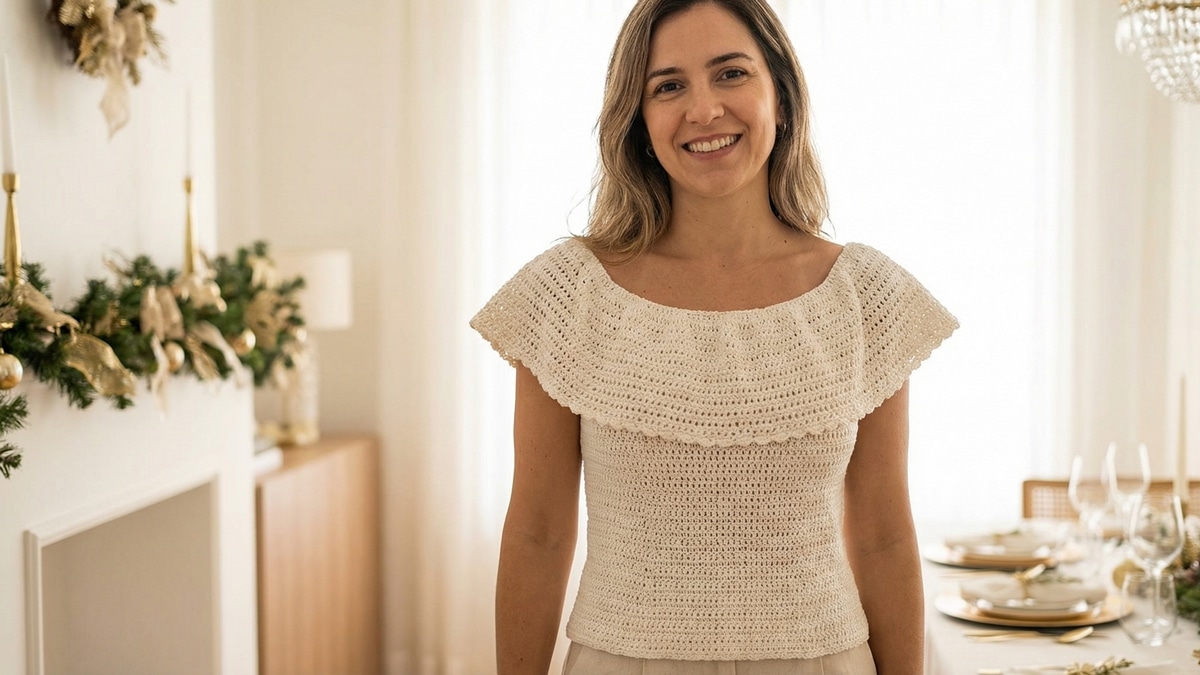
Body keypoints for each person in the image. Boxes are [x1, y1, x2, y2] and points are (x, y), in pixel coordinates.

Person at [470, 0, 957, 672]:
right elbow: (538, 533)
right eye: (668, 86)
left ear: (780, 97)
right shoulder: (569, 293)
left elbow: (883, 537)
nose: (703, 110)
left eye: (730, 73)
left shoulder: (865, 296)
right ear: (639, 121)